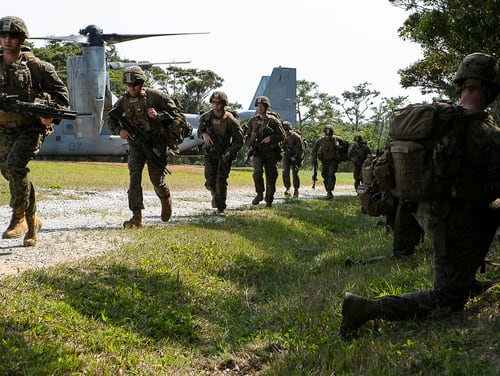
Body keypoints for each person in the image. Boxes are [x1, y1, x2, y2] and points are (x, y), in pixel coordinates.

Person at [340, 52, 500, 338]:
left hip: (422, 211)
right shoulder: (487, 133)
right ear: (491, 88)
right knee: (448, 300)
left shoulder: (437, 121)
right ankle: (364, 309)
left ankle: (463, 275)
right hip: (453, 222)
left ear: (461, 84)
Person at [0, 16, 70, 247]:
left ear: (22, 38)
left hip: (30, 128)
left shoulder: (38, 67)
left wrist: (50, 113)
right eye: (3, 35)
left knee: (15, 166)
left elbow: (62, 98)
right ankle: (33, 221)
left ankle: (18, 217)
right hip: (3, 128)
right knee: (13, 175)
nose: (7, 40)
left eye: (13, 36)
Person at [107, 66, 179, 228]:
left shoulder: (155, 96)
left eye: (134, 84)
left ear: (141, 83)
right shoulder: (123, 101)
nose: (131, 88)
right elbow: (110, 118)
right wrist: (120, 130)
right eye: (128, 85)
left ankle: (165, 198)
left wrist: (158, 115)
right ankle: (136, 216)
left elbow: (175, 114)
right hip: (136, 145)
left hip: (155, 144)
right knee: (134, 179)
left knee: (156, 179)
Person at [197, 91, 243, 215]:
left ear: (223, 104)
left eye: (218, 103)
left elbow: (239, 140)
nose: (216, 105)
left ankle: (221, 207)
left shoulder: (230, 120)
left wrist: (230, 151)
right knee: (210, 181)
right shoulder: (206, 118)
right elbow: (199, 132)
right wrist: (204, 135)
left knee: (221, 181)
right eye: (214, 102)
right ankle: (215, 195)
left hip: (224, 154)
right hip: (209, 153)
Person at [245, 96, 286, 207]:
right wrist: (250, 143)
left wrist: (271, 138)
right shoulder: (253, 121)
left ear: (266, 107)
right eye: (258, 106)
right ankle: (259, 193)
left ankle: (269, 200)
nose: (260, 108)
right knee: (257, 173)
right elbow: (247, 135)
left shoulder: (273, 121)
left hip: (270, 152)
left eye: (262, 106)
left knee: (271, 175)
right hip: (258, 152)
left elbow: (282, 135)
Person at [311, 125, 349, 199]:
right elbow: (314, 150)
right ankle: (328, 189)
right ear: (324, 134)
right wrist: (314, 160)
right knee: (324, 174)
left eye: (330, 135)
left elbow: (346, 146)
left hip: (333, 160)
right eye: (327, 135)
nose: (328, 136)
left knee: (331, 173)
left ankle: (329, 190)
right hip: (324, 160)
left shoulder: (337, 139)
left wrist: (338, 147)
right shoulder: (320, 140)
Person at [282, 121, 305, 198]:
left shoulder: (296, 137)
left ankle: (296, 189)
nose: (286, 132)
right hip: (287, 156)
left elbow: (301, 149)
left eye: (287, 130)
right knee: (285, 171)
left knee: (295, 173)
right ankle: (287, 188)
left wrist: (297, 158)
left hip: (296, 157)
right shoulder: (282, 137)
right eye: (284, 130)